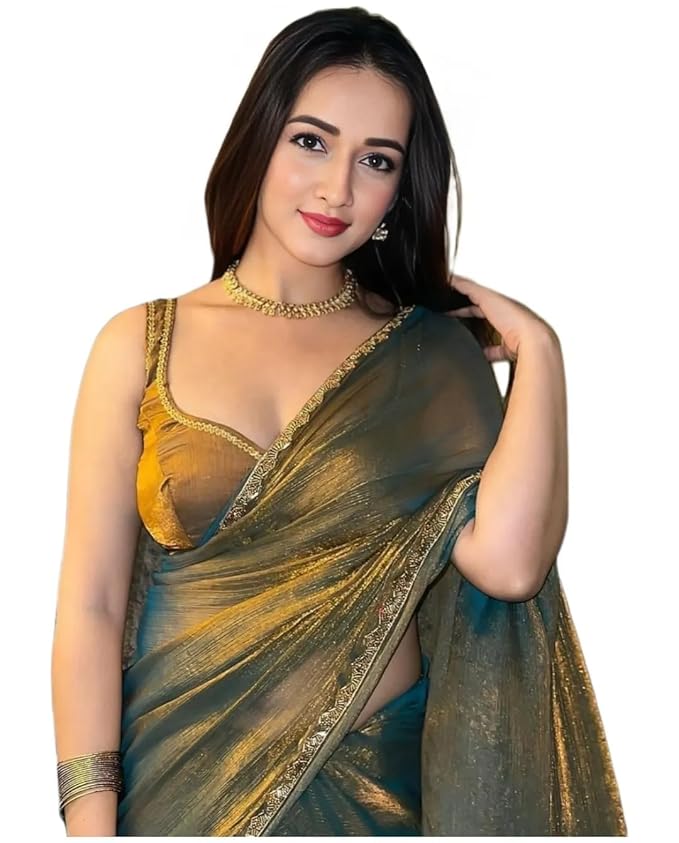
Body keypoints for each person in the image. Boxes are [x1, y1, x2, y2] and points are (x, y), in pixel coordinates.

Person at [50, 6, 627, 836]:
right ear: (259, 140)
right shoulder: (140, 342)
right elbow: (92, 604)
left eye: (376, 160)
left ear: (399, 186)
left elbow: (508, 566)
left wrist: (540, 351)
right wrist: (89, 824)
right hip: (177, 795)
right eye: (310, 142)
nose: (337, 189)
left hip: (372, 801)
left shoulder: (425, 357)